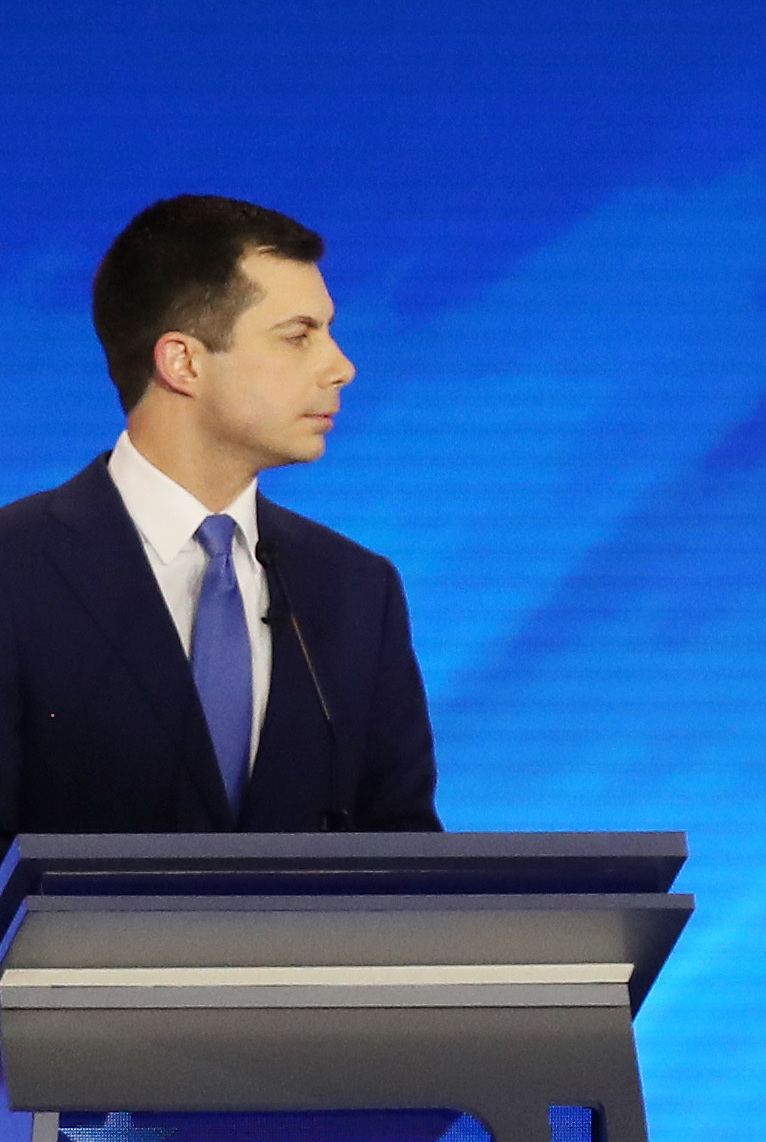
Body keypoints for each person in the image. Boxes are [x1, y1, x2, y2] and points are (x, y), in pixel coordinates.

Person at [0, 194, 439, 840]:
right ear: (183, 362)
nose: (341, 367)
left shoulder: (356, 590)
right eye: (299, 336)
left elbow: (404, 853)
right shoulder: (15, 569)